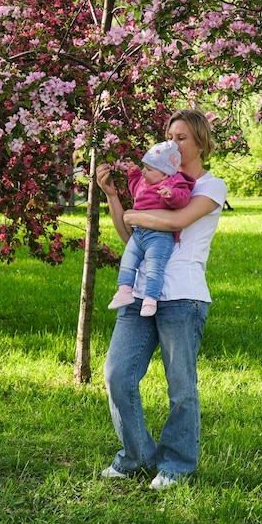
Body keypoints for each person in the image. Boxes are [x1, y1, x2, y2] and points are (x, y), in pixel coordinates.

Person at [96, 108, 227, 490]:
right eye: (170, 136)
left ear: (201, 142)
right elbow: (129, 236)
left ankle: (177, 464)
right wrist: (114, 196)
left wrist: (140, 215)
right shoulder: (152, 183)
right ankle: (136, 457)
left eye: (182, 137)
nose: (174, 143)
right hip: (139, 293)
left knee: (180, 387)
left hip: (183, 297)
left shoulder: (210, 186)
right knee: (118, 375)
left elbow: (176, 222)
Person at [108, 140, 196, 317]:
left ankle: (151, 299)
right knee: (127, 262)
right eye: (144, 167)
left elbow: (182, 198)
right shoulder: (145, 182)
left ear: (164, 174)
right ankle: (124, 290)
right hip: (139, 233)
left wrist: (170, 195)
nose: (144, 172)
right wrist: (133, 174)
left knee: (154, 268)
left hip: (160, 236)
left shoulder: (173, 183)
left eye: (148, 169)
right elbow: (135, 190)